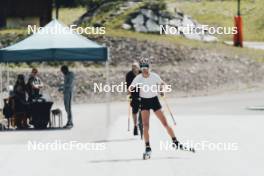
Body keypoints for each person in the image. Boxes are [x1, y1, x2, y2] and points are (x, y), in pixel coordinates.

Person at [129, 58, 183, 158]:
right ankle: (147, 147)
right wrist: (131, 91)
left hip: (154, 101)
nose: (145, 69)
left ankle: (175, 141)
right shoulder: (138, 78)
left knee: (165, 123)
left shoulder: (154, 76)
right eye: (143, 67)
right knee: (145, 125)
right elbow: (131, 87)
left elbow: (163, 84)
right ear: (141, 68)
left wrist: (162, 90)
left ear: (150, 67)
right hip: (144, 101)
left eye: (147, 67)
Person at [126, 61, 141, 135]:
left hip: (143, 92)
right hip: (134, 93)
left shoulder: (142, 73)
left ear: (138, 67)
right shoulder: (129, 75)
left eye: (135, 67)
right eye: (133, 67)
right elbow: (128, 85)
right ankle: (135, 125)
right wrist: (129, 94)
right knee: (134, 110)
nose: (134, 68)